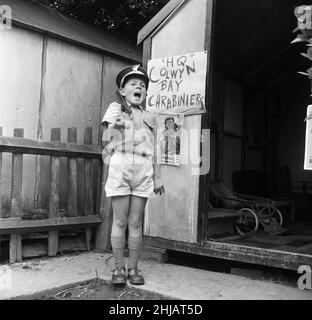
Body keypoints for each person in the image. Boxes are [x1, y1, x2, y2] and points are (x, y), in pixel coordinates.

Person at [101, 65, 165, 286]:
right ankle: (118, 268)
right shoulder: (115, 109)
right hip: (121, 162)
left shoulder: (151, 117)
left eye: (143, 86)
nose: (139, 87)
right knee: (120, 220)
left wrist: (157, 177)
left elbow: (156, 149)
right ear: (122, 89)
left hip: (143, 167)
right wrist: (123, 116)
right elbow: (110, 139)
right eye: (133, 84)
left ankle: (134, 268)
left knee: (136, 221)